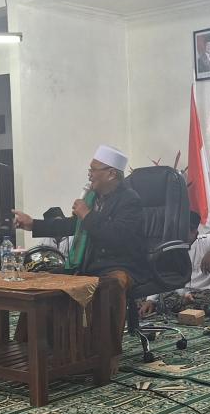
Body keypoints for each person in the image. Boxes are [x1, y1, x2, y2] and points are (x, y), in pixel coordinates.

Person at [13, 145, 145, 367]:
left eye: (94, 170)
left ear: (111, 174)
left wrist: (87, 215)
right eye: (89, 170)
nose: (89, 174)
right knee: (43, 281)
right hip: (90, 263)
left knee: (112, 285)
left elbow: (117, 236)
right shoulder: (93, 197)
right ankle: (28, 348)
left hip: (121, 264)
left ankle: (108, 356)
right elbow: (72, 225)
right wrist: (32, 224)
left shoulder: (130, 200)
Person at [143, 211, 210, 316]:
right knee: (156, 299)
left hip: (206, 293)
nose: (179, 235)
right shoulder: (173, 247)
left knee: (209, 302)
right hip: (181, 294)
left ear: (194, 231)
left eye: (183, 232)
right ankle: (182, 306)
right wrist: (150, 300)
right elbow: (163, 277)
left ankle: (179, 308)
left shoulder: (207, 241)